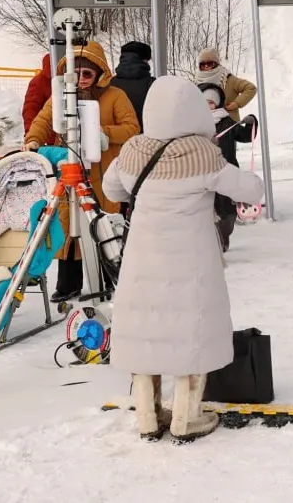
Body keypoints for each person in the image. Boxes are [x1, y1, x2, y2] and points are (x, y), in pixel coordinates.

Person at [104, 76, 264, 443]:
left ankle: (147, 416)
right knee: (191, 330)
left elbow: (113, 189)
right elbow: (249, 189)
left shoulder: (133, 150)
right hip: (191, 262)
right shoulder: (203, 153)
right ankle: (186, 418)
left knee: (147, 332)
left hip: (142, 260)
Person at [23, 41, 140, 303]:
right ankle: (68, 284)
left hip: (103, 173)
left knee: (102, 225)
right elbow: (43, 121)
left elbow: (132, 127)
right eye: (75, 74)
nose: (81, 80)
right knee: (68, 227)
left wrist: (105, 133)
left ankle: (107, 278)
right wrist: (33, 139)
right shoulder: (60, 96)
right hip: (70, 171)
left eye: (87, 74)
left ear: (100, 74)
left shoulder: (115, 96)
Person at [200, 83, 258, 252]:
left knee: (227, 211)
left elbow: (246, 136)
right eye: (204, 103)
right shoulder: (196, 124)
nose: (208, 107)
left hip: (226, 172)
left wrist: (251, 123)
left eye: (211, 103)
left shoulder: (227, 123)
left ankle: (224, 235)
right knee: (207, 209)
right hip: (203, 173)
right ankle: (213, 241)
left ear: (217, 103)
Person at [195, 48, 256, 122]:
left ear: (216, 63)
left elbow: (251, 88)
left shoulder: (226, 78)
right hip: (206, 126)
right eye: (203, 64)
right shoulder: (197, 81)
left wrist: (236, 103)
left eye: (210, 63)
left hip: (229, 127)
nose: (206, 66)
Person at [112, 41, 156, 128]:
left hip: (115, 139)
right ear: (145, 60)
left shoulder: (109, 84)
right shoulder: (153, 84)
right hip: (146, 139)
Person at [22, 54, 54, 138]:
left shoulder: (74, 80)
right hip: (46, 137)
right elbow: (30, 109)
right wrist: (32, 136)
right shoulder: (39, 81)